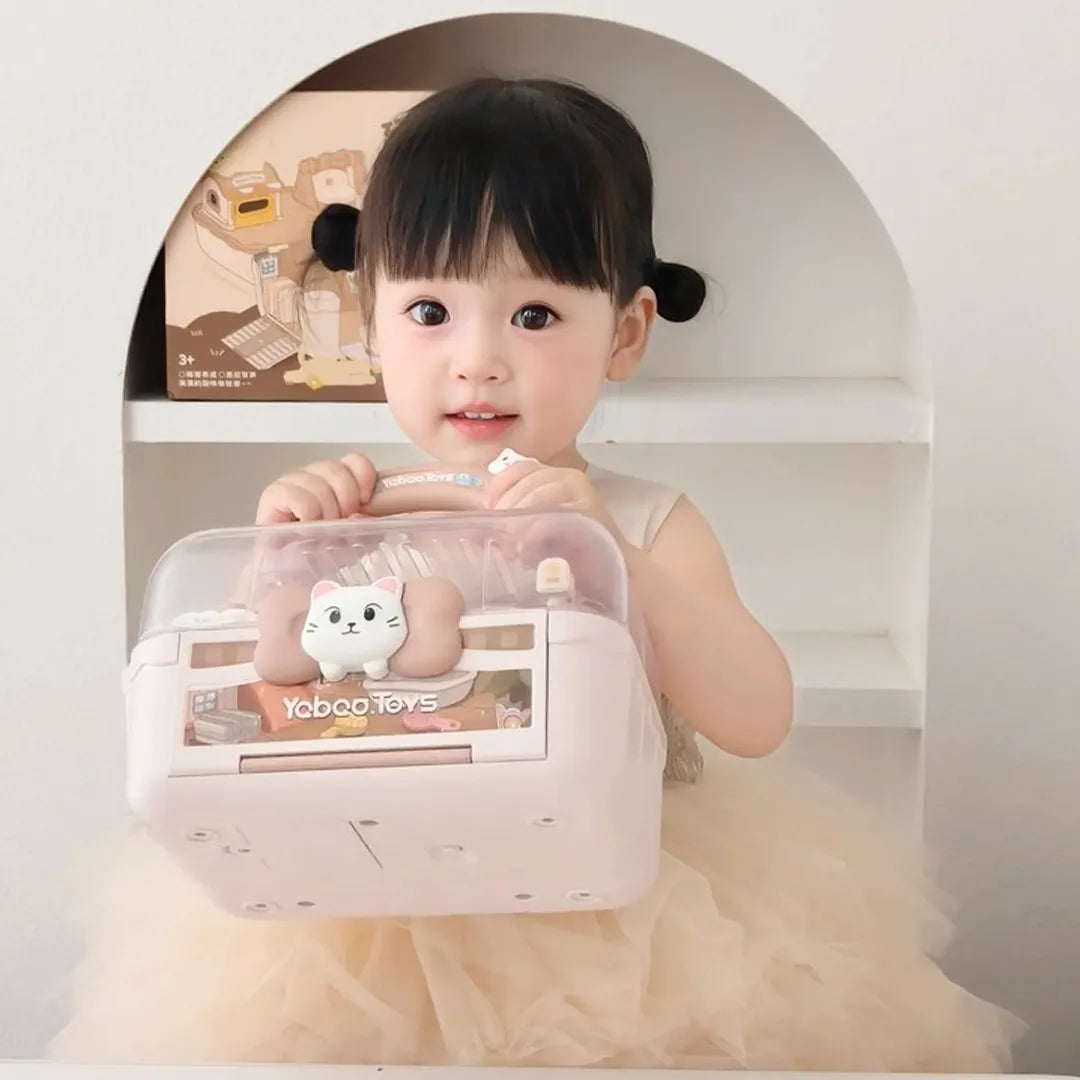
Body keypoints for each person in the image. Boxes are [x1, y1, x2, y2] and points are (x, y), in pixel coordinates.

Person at [47, 77, 1020, 1069]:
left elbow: (758, 716)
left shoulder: (644, 523)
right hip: (372, 900)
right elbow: (252, 718)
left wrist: (620, 565)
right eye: (429, 309)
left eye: (536, 317)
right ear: (367, 323)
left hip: (623, 907)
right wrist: (281, 563)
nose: (477, 360)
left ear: (627, 333)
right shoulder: (351, 520)